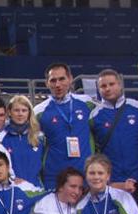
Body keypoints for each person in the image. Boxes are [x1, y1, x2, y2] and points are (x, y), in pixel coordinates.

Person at [89, 69, 138, 214]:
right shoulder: (94, 116)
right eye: (103, 86)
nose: (108, 88)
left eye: (111, 84)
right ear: (98, 89)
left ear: (120, 85)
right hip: (114, 183)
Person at [34, 62, 95, 190]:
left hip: (85, 174)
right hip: (54, 176)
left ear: (70, 79)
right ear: (47, 83)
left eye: (62, 79)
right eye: (53, 80)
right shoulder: (39, 111)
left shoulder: (87, 103)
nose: (58, 85)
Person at [0, 95, 45, 189]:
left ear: (29, 113)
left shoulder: (39, 137)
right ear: (9, 112)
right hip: (11, 190)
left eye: (24, 110)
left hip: (36, 190)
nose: (20, 114)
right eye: (16, 110)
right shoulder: (0, 138)